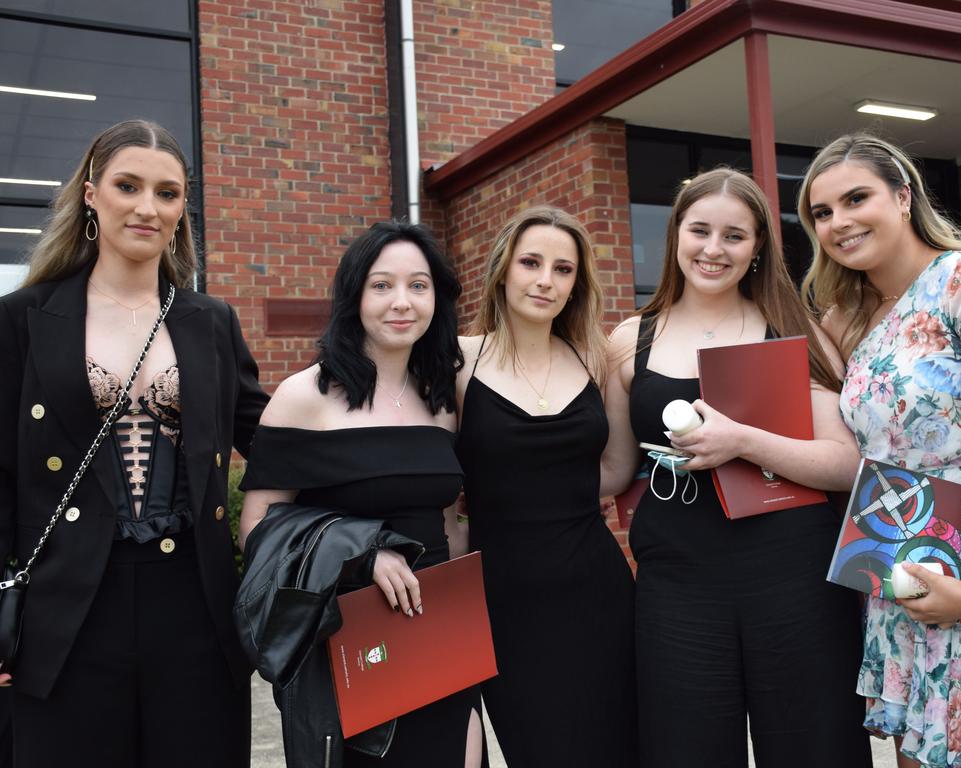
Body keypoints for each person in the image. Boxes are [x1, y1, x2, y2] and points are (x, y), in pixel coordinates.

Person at [0, 120, 268, 766]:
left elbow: (274, 440)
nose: (148, 208)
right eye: (128, 186)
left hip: (196, 609)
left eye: (168, 193)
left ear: (182, 208)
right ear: (91, 194)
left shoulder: (211, 322)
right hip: (66, 613)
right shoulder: (24, 318)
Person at [601, 168, 872, 768]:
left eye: (734, 236)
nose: (713, 249)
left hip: (795, 577)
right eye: (700, 230)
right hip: (678, 583)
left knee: (816, 747)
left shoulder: (795, 330)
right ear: (676, 235)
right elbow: (615, 470)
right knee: (683, 750)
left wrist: (743, 441)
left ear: (757, 249)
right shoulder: (629, 340)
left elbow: (848, 462)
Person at [799, 133, 961, 768]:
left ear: (903, 197)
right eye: (821, 212)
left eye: (855, 198)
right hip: (902, 574)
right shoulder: (854, 316)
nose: (838, 222)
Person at [238, 221, 484, 767]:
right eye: (382, 285)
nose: (402, 302)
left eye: (418, 286)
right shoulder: (306, 396)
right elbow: (255, 529)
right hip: (349, 643)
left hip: (441, 631)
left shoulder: (441, 397)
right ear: (354, 296)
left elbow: (446, 522)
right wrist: (359, 550)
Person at [455, 206, 638, 767]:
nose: (545, 280)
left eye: (563, 269)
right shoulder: (458, 360)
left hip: (597, 590)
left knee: (623, 747)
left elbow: (616, 468)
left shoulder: (595, 357)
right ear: (502, 271)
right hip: (502, 596)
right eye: (531, 263)